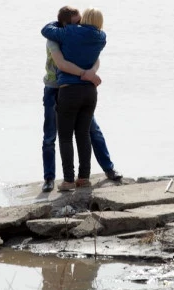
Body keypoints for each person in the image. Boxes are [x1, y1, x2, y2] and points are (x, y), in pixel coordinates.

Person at [41, 6, 121, 192]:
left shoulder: (72, 33)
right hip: (57, 88)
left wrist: (90, 72)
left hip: (72, 89)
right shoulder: (59, 37)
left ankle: (105, 169)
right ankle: (50, 178)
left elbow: (95, 59)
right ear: (67, 24)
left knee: (87, 133)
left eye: (82, 22)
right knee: (51, 136)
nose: (80, 26)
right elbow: (60, 63)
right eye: (77, 22)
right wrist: (88, 74)